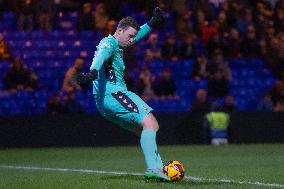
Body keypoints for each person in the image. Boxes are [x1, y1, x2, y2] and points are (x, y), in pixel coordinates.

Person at [77, 7, 169, 181]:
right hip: (114, 94)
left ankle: (159, 168)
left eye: (133, 36)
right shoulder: (109, 43)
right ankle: (155, 169)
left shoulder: (118, 43)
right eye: (130, 36)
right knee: (151, 123)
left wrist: (151, 23)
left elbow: (137, 34)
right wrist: (92, 72)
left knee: (141, 129)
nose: (132, 40)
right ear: (119, 31)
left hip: (104, 104)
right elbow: (101, 56)